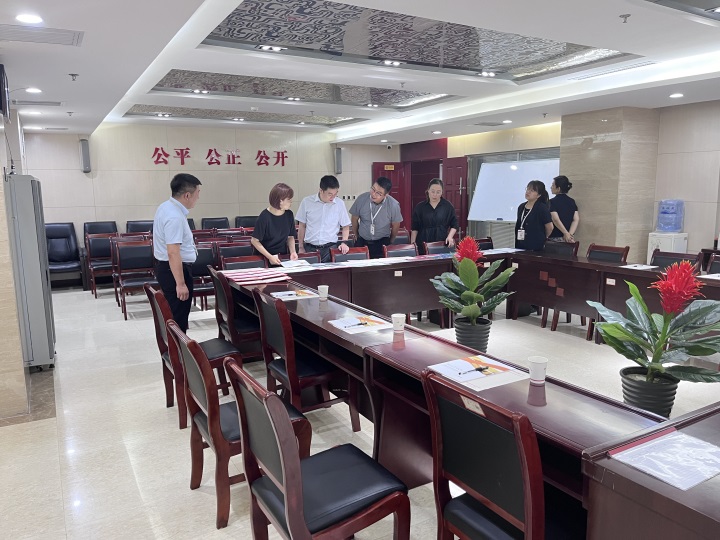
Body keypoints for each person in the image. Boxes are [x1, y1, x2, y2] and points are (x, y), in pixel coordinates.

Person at [153, 173, 201, 333]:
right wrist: (180, 284)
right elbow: (173, 252)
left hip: (168, 269)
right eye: (197, 193)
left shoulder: (165, 207)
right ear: (187, 195)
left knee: (175, 317)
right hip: (174, 271)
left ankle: (176, 347)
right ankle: (178, 348)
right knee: (178, 319)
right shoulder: (174, 216)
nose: (198, 197)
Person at [296, 175, 351, 263]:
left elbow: (345, 226)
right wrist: (301, 247)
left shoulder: (339, 204)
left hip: (330, 248)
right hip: (310, 248)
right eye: (330, 194)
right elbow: (302, 226)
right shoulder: (307, 202)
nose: (333, 197)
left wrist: (344, 243)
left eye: (335, 194)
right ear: (321, 190)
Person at [349, 177, 403, 259]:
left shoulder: (393, 205)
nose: (373, 194)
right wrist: (357, 236)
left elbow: (396, 225)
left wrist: (390, 241)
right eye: (373, 189)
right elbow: (354, 219)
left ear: (386, 195)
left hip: (382, 242)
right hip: (362, 241)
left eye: (378, 193)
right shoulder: (361, 199)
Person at [251, 183, 298, 266]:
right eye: (288, 199)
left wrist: (293, 252)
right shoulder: (264, 217)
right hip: (264, 258)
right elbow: (254, 241)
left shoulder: (289, 214)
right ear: (280, 200)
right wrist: (270, 257)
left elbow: (290, 236)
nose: (291, 202)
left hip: (282, 257)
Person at [410, 178, 458, 254]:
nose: (435, 195)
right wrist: (413, 245)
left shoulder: (447, 206)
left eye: (438, 192)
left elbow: (454, 225)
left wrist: (450, 236)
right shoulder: (420, 207)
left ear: (442, 192)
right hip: (423, 243)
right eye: (432, 191)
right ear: (428, 190)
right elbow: (415, 228)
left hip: (441, 243)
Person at [515, 180, 553, 251]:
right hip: (520, 244)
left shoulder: (542, 208)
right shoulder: (521, 206)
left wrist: (542, 237)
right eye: (527, 189)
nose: (528, 192)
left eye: (532, 190)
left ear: (539, 195)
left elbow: (550, 227)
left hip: (536, 245)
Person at [548, 175, 580, 243]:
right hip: (569, 239)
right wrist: (569, 235)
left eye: (553, 185)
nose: (551, 187)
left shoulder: (552, 202)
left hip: (555, 237)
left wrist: (565, 233)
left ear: (558, 188)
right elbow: (576, 219)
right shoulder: (572, 201)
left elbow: (555, 219)